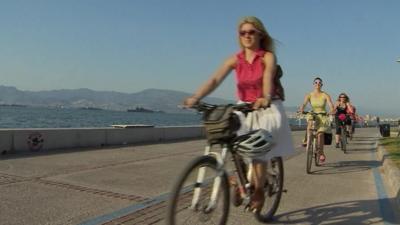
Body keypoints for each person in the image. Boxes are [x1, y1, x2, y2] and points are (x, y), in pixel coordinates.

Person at [183, 16, 295, 212]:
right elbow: (215, 79)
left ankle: (259, 190)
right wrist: (196, 97)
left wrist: (266, 96)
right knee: (232, 139)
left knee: (257, 150)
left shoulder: (267, 56)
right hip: (244, 106)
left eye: (251, 32)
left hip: (267, 106)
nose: (247, 36)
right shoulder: (235, 59)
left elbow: (268, 76)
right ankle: (241, 178)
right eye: (243, 33)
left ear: (260, 34)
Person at [299, 77, 334, 162]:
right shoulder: (309, 95)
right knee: (310, 122)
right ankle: (307, 140)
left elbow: (330, 104)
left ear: (321, 85)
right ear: (313, 84)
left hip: (322, 115)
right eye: (316, 82)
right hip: (313, 113)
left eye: (319, 83)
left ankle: (321, 152)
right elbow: (304, 103)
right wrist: (302, 109)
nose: (317, 84)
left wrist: (331, 110)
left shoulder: (325, 95)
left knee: (320, 134)